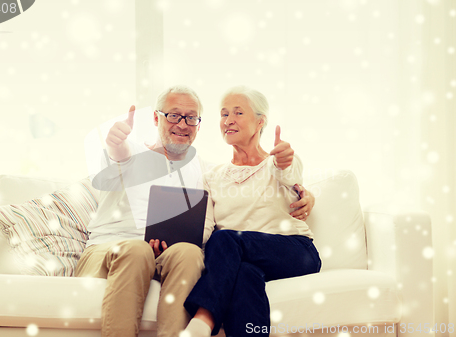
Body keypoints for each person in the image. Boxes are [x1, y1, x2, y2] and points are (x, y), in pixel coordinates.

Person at [76, 85, 316, 337]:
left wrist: (306, 195)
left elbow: (284, 172)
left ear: (198, 125)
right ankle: (202, 319)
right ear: (156, 118)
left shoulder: (203, 170)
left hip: (177, 254)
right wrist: (116, 144)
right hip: (114, 249)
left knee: (190, 253)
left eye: (191, 118)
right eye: (173, 115)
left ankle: (196, 327)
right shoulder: (134, 151)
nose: (182, 123)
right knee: (141, 250)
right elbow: (120, 157)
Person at [182, 86, 321, 337]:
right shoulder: (212, 177)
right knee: (245, 274)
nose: (229, 120)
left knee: (225, 237)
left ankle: (203, 319)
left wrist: (285, 160)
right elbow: (204, 228)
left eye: (238, 113)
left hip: (295, 252)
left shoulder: (276, 163)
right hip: (243, 260)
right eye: (224, 114)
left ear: (260, 122)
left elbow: (290, 172)